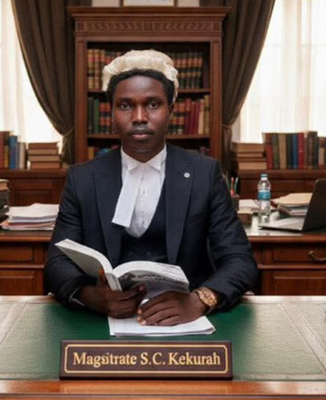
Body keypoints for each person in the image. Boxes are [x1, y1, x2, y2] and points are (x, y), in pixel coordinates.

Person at [45, 49, 258, 326]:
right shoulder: (82, 178)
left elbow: (240, 260)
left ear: (171, 110)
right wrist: (91, 297)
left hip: (186, 320)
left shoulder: (204, 174)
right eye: (125, 105)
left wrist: (199, 300)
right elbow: (56, 263)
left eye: (153, 104)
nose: (139, 116)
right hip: (104, 320)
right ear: (111, 112)